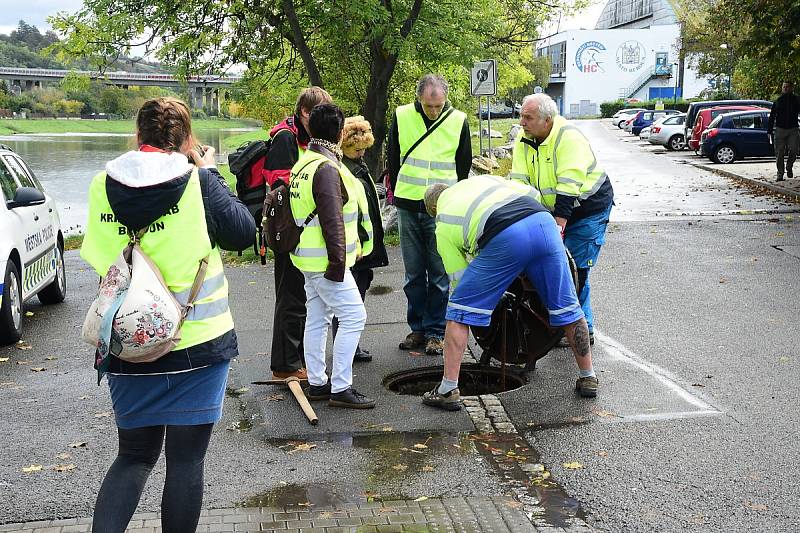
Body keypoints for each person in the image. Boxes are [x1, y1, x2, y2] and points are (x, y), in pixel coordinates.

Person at [80, 97, 255, 531]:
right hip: (198, 341)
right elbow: (243, 233)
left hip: (128, 339)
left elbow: (97, 252)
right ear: (186, 138)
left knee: (134, 456)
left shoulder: (102, 182)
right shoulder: (199, 182)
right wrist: (210, 172)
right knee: (185, 461)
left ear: (138, 136)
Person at [420, 176, 599, 411]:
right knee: (568, 308)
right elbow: (532, 193)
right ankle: (588, 376)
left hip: (505, 233)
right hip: (542, 222)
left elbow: (460, 279)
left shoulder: (443, 220)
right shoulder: (480, 181)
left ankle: (447, 389)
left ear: (433, 208)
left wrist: (493, 292)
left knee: (459, 312)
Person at [289, 103, 376, 409]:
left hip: (307, 259)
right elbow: (332, 222)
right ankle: (341, 387)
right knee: (354, 316)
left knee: (318, 317)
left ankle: (316, 383)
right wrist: (339, 265)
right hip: (327, 262)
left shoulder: (304, 163)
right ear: (340, 134)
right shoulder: (327, 169)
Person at [509, 93, 614, 347]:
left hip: (586, 209)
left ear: (547, 120)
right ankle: (556, 325)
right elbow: (519, 183)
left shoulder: (568, 137)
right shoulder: (525, 139)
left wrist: (557, 225)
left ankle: (583, 329)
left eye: (528, 117)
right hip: (551, 211)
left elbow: (568, 185)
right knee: (551, 266)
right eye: (521, 115)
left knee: (575, 269)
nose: (522, 122)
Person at [387, 74, 472, 356]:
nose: (433, 111)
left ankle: (436, 330)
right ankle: (418, 328)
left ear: (445, 99)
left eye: (438, 106)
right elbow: (394, 156)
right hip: (409, 205)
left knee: (438, 273)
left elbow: (463, 165)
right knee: (413, 273)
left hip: (442, 207)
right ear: (419, 99)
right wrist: (401, 193)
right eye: (428, 106)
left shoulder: (458, 120)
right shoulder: (401, 116)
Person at [264, 86, 333, 380]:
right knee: (291, 296)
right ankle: (285, 365)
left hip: (303, 227)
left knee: (302, 296)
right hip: (288, 230)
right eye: (317, 115)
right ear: (304, 112)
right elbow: (281, 185)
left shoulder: (303, 137)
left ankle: (297, 358)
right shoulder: (284, 138)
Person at [330, 116, 389, 362]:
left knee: (358, 294)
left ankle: (350, 345)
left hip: (363, 244)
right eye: (356, 149)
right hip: (355, 247)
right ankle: (347, 347)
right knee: (349, 302)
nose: (361, 152)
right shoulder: (345, 171)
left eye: (364, 148)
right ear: (344, 146)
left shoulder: (359, 167)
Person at [767, 81, 800, 181]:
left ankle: (789, 166)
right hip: (780, 129)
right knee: (779, 152)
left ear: (791, 88)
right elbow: (772, 116)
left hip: (793, 129)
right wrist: (769, 130)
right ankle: (780, 173)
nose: (785, 88)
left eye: (787, 87)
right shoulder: (778, 101)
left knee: (794, 149)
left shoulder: (797, 100)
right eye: (784, 87)